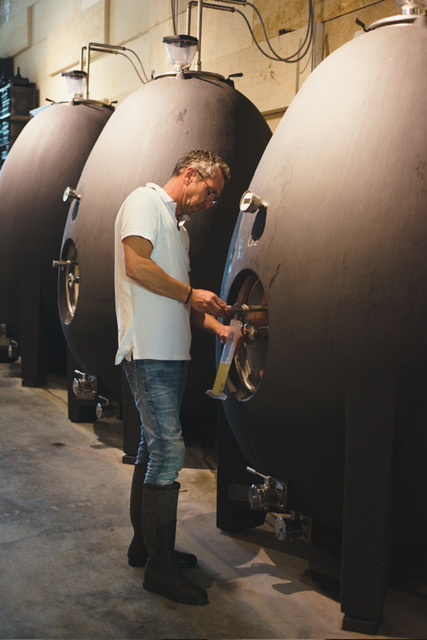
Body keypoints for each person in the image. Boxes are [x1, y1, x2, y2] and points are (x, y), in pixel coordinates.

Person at [114, 149, 231, 606]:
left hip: (170, 354)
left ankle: (145, 547)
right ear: (188, 175)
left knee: (151, 446)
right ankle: (159, 571)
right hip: (147, 352)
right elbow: (136, 265)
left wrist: (217, 325)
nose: (210, 203)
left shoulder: (178, 232)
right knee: (169, 450)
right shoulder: (144, 204)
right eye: (210, 193)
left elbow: (183, 301)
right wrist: (190, 292)